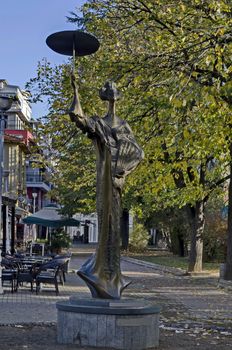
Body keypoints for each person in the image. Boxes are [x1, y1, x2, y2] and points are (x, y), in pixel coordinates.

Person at [69, 74, 144, 299]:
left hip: (116, 179)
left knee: (113, 224)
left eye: (114, 94)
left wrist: (123, 171)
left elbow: (137, 153)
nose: (112, 97)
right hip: (103, 177)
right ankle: (100, 272)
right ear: (105, 98)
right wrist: (75, 90)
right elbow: (78, 118)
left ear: (117, 98)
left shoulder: (123, 125)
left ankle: (113, 276)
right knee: (105, 222)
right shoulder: (98, 123)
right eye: (108, 93)